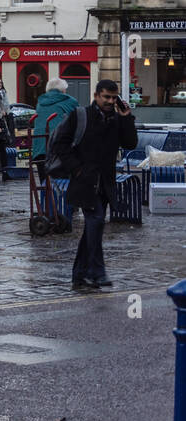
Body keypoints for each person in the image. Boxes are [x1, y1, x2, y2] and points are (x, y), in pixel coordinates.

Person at [48, 79, 137, 289]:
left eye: (114, 98)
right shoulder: (80, 115)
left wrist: (127, 118)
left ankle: (79, 275)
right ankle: (97, 272)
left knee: (93, 227)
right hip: (85, 181)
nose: (110, 101)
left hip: (105, 182)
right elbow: (61, 144)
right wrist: (77, 168)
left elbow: (130, 143)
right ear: (96, 95)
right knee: (95, 223)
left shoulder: (116, 118)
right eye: (106, 97)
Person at [31, 78, 80, 167]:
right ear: (63, 90)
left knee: (43, 177)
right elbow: (78, 121)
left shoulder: (40, 103)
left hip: (39, 146)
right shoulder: (69, 101)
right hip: (59, 146)